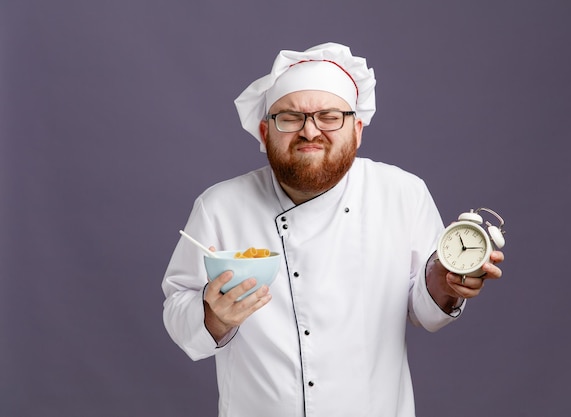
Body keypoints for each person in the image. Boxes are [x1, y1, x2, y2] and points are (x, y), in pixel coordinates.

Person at [162, 42, 504, 417]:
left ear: (356, 129)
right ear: (264, 131)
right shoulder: (220, 206)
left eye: (329, 116)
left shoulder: (402, 192)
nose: (310, 131)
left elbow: (423, 308)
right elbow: (179, 307)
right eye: (290, 117)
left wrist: (445, 280)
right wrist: (213, 316)